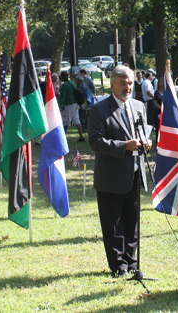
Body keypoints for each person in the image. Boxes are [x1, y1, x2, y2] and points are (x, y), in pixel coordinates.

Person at [87, 65, 150, 278]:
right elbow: (95, 142)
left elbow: (143, 133)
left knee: (132, 221)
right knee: (113, 224)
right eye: (123, 83)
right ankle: (118, 266)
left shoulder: (139, 106)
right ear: (113, 84)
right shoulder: (99, 109)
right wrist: (125, 146)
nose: (127, 87)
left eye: (130, 83)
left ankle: (132, 262)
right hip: (110, 177)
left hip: (133, 173)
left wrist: (145, 143)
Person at [58, 71, 85, 142]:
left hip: (68, 104)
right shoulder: (73, 83)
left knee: (65, 121)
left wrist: (61, 105)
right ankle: (81, 136)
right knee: (76, 120)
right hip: (75, 104)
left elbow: (62, 97)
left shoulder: (64, 85)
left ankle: (62, 137)